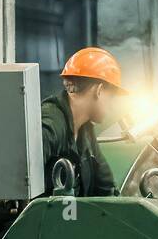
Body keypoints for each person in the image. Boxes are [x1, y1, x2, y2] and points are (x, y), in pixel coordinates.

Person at [40, 47, 127, 196]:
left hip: (66, 217)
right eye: (111, 97)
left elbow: (106, 189)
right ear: (99, 90)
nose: (111, 105)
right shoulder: (52, 124)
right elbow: (20, 179)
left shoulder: (85, 131)